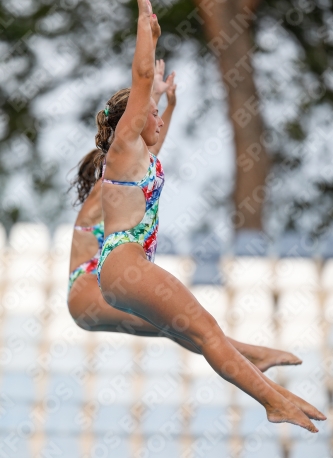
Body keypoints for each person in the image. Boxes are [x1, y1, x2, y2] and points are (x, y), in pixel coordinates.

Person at [92, 0, 325, 432]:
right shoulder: (123, 147)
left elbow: (151, 122)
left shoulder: (138, 157)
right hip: (124, 265)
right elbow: (139, 80)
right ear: (131, 122)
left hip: (122, 270)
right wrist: (146, 25)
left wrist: (165, 100)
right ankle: (273, 401)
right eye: (151, 114)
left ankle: (262, 373)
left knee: (197, 333)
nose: (157, 119)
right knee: (205, 330)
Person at [68, 62, 304, 373]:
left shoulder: (117, 185)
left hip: (93, 293)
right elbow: (137, 139)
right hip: (86, 296)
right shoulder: (104, 192)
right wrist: (154, 95)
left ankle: (250, 356)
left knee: (176, 323)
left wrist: (167, 105)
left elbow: (147, 149)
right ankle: (251, 354)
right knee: (177, 322)